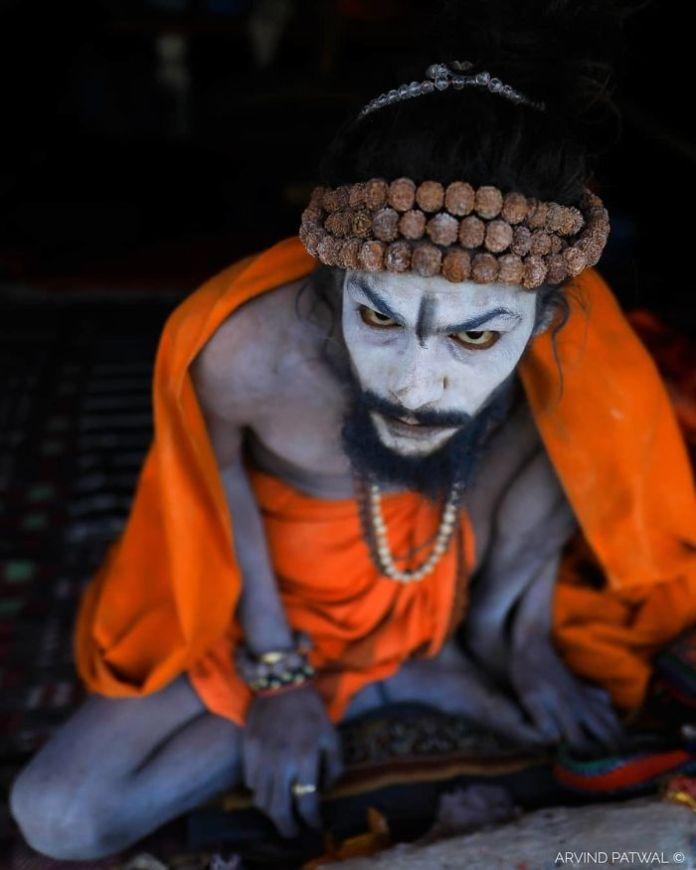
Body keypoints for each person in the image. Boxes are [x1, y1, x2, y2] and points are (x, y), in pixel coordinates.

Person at [10, 0, 696, 860]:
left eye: (475, 338)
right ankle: (378, 685)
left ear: (545, 317)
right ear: (333, 278)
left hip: (444, 563)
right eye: (377, 317)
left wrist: (527, 644)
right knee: (60, 818)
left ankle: (443, 656)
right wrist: (278, 674)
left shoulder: (565, 345)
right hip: (269, 592)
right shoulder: (242, 348)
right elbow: (213, 488)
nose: (414, 387)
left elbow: (601, 474)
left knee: (588, 435)